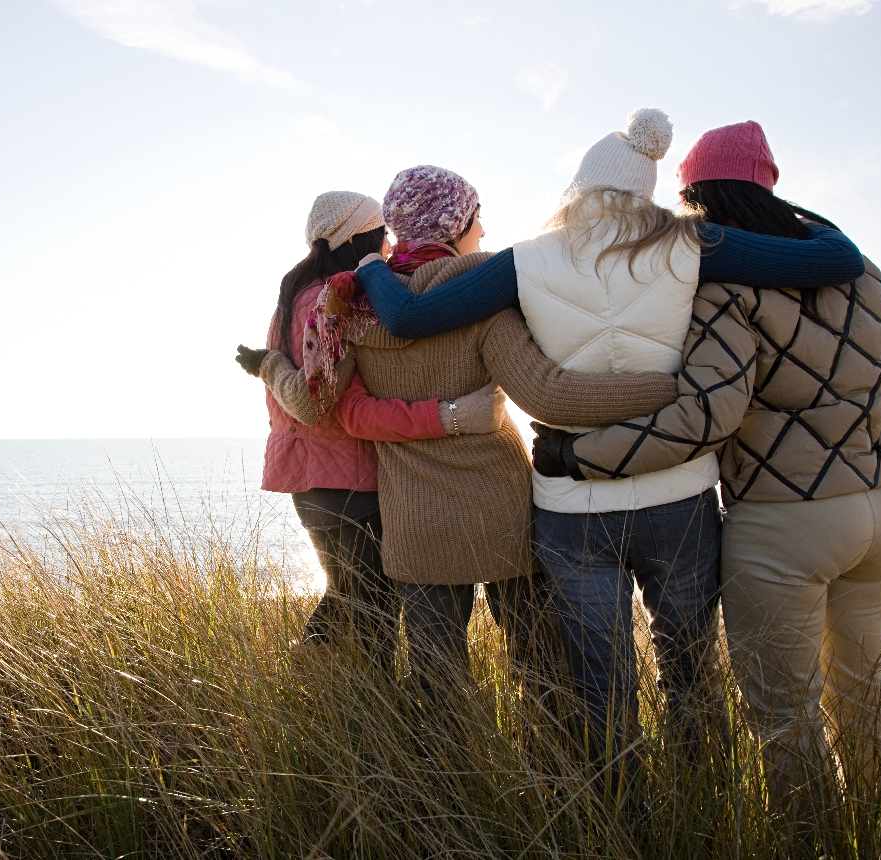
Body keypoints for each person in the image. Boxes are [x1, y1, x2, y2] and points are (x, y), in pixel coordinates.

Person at [350, 109, 869, 782]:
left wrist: (368, 267)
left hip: (572, 505)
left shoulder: (527, 260)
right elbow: (837, 260)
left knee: (600, 685)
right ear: (645, 191)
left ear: (578, 187)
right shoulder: (691, 243)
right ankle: (700, 813)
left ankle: (620, 818)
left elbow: (411, 316)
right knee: (690, 673)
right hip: (679, 491)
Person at [531, 121, 881, 811]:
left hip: (785, 522)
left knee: (787, 720)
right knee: (865, 700)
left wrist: (578, 454)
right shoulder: (861, 271)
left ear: (697, 198)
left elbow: (706, 416)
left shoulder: (724, 285)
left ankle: (812, 845)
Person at [248, 166, 684, 718]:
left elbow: (346, 412)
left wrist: (269, 368)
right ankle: (554, 788)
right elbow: (549, 397)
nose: (482, 231)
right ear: (454, 227)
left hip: (414, 519)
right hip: (500, 509)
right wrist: (667, 388)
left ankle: (442, 795)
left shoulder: (354, 308)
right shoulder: (482, 300)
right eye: (476, 219)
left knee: (435, 687)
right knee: (541, 669)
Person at [239, 190, 508, 673]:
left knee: (344, 597)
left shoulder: (289, 298)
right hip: (352, 481)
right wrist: (273, 367)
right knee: (374, 621)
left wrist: (268, 365)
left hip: (307, 483)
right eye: (380, 234)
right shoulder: (337, 299)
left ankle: (305, 686)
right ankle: (361, 721)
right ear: (359, 236)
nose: (386, 246)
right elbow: (310, 400)